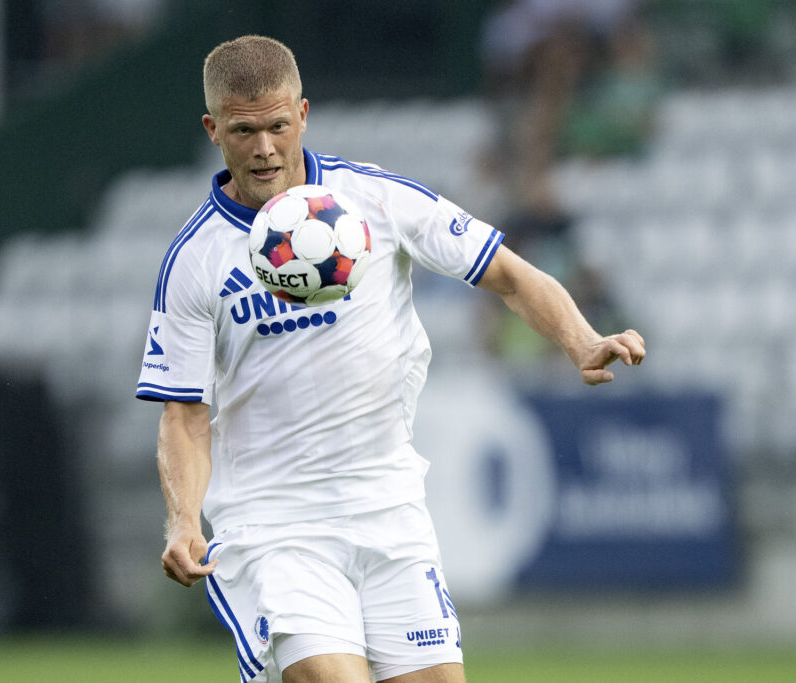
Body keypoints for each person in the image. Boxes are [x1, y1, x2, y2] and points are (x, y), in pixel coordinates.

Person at [136, 35, 644, 683]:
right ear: (213, 129)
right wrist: (183, 518)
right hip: (274, 526)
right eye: (244, 131)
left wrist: (582, 340)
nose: (264, 148)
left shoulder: (376, 200)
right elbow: (182, 413)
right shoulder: (195, 259)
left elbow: (509, 274)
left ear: (304, 114)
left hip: (388, 506)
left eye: (278, 126)